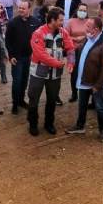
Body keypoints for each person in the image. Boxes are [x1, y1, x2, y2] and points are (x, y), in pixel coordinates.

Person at [26, 7, 75, 136]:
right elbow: (40, 54)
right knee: (33, 99)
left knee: (52, 99)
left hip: (55, 74)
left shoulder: (63, 32)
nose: (62, 23)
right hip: (39, 72)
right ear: (52, 20)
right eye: (60, 20)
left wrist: (70, 62)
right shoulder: (38, 33)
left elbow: (70, 48)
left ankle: (49, 123)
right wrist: (58, 63)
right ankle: (33, 123)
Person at [65, 17, 103, 143]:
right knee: (82, 105)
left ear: (96, 29)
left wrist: (98, 85)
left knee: (100, 107)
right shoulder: (88, 37)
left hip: (95, 83)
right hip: (83, 80)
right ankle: (80, 126)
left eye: (88, 26)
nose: (85, 28)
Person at [5, 0, 39, 114]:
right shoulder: (12, 23)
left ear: (29, 9)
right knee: (17, 81)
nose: (20, 10)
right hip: (17, 58)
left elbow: (38, 40)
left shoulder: (36, 22)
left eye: (23, 8)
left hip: (30, 58)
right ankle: (15, 104)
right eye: (19, 8)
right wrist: (11, 56)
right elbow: (8, 41)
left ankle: (21, 100)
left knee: (24, 80)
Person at [65, 3, 90, 103]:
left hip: (85, 51)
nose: (82, 12)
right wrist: (75, 38)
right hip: (73, 51)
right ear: (77, 10)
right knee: (74, 73)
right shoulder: (71, 22)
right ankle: (74, 93)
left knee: (85, 72)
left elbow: (92, 34)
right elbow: (65, 36)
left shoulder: (89, 22)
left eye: (84, 11)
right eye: (81, 10)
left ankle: (84, 94)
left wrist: (84, 37)